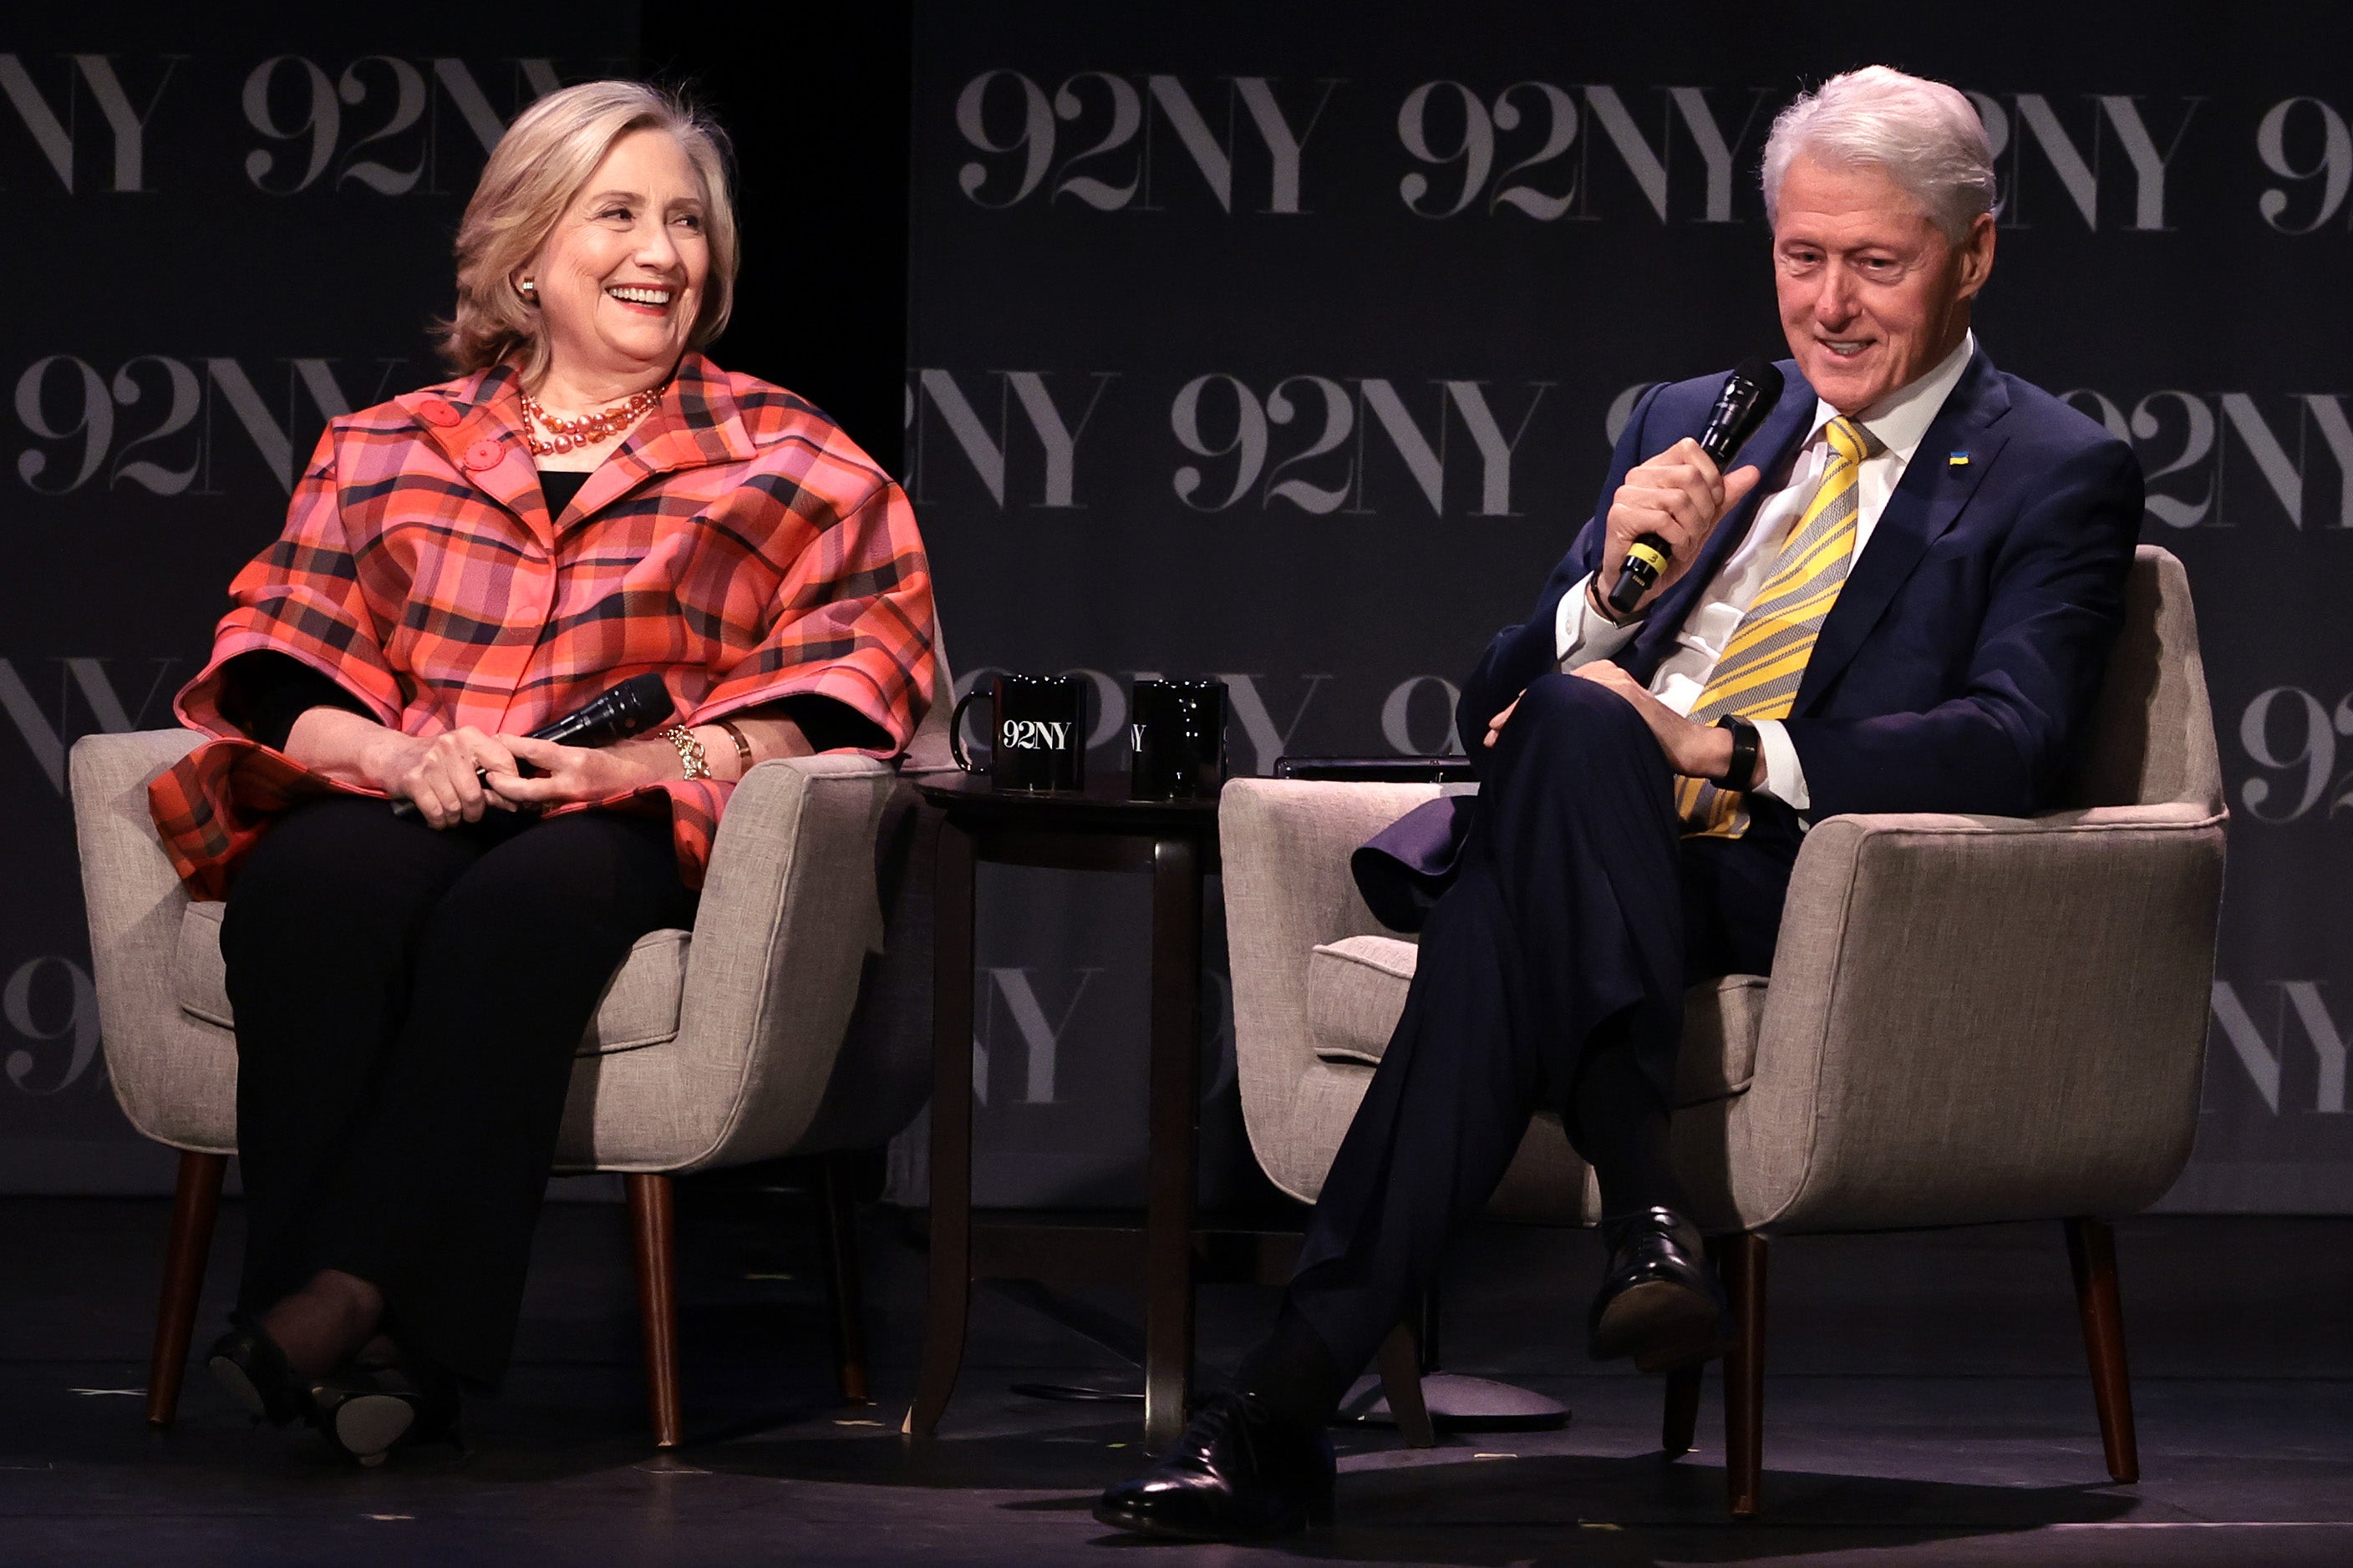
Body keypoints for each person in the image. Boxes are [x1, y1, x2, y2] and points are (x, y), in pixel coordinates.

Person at [1097, 65, 2143, 1539]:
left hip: (1808, 873)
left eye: (1876, 264)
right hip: (1589, 831)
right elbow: (1497, 701)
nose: (1829, 304)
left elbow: (2011, 738)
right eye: (1800, 256)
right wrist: (1602, 596)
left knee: (1526, 874)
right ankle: (1637, 1217)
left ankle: (1282, 1406)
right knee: (1573, 741)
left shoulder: (2057, 469)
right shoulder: (1705, 417)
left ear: (1972, 257)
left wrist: (1718, 746)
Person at [146, 80, 936, 1462]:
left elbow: (852, 686)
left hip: (627, 818)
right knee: (308, 892)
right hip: (420, 782)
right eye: (618, 213)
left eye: (688, 222)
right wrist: (407, 750)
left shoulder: (796, 459)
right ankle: (388, 1346)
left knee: (520, 911)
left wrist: (630, 763)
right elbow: (275, 658)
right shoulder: (387, 442)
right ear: (524, 251)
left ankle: (326, 1299)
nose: (663, 251)